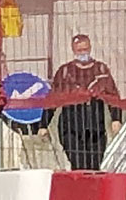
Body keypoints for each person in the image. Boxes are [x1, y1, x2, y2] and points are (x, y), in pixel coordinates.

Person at [50, 32, 121, 171]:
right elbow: (52, 98)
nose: (83, 53)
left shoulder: (100, 70)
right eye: (79, 50)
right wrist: (42, 125)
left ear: (90, 48)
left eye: (85, 50)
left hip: (95, 127)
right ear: (73, 50)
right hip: (71, 127)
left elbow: (113, 95)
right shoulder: (65, 72)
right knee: (79, 166)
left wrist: (116, 118)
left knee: (94, 167)